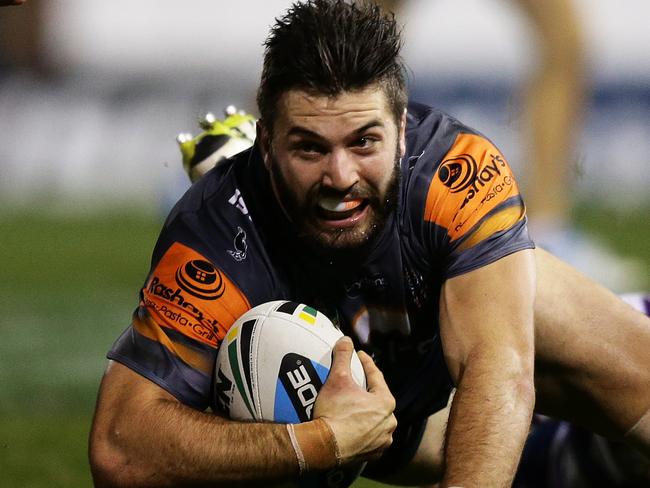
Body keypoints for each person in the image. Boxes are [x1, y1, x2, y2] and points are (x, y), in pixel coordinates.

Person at [89, 1, 650, 487]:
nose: (341, 177)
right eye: (310, 148)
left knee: (540, 334)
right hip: (400, 428)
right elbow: (120, 447)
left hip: (452, 369)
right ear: (266, 143)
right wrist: (320, 443)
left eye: (365, 143)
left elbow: (499, 372)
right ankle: (567, 456)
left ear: (403, 130)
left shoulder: (455, 174)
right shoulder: (215, 234)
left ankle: (579, 450)